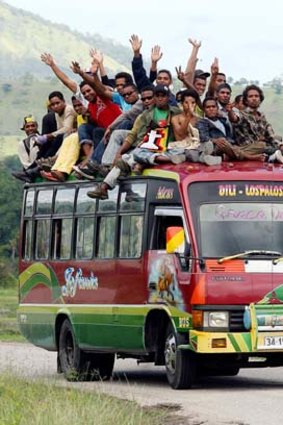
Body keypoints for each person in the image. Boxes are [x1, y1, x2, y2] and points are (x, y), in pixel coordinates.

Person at [86, 84, 182, 200]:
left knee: (129, 159)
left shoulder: (175, 113)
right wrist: (118, 153)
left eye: (162, 96)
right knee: (125, 159)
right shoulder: (144, 116)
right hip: (145, 147)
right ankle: (108, 181)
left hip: (167, 148)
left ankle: (106, 187)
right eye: (157, 96)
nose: (159, 99)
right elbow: (132, 135)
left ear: (168, 98)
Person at [228, 84, 279, 157]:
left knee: (277, 139)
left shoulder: (261, 116)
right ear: (246, 100)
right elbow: (235, 119)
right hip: (248, 149)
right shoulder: (242, 114)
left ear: (260, 99)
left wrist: (280, 145)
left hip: (261, 148)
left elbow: (270, 135)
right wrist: (230, 111)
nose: (254, 98)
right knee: (262, 145)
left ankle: (274, 154)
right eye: (250, 96)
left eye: (256, 96)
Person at [11, 115, 40, 181]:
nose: (30, 128)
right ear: (24, 129)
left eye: (33, 126)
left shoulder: (44, 139)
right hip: (33, 173)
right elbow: (26, 164)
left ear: (36, 126)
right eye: (27, 126)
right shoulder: (22, 144)